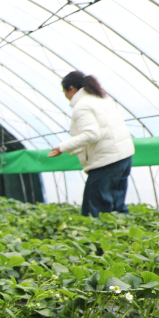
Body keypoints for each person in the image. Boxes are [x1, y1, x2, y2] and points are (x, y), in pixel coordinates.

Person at [48, 71, 134, 217]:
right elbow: (106, 130)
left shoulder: (82, 105)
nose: (66, 97)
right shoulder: (102, 99)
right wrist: (81, 147)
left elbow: (92, 134)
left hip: (107, 161)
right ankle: (125, 236)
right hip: (124, 157)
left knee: (95, 210)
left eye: (65, 92)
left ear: (72, 88)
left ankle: (97, 238)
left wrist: (62, 147)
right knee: (117, 207)